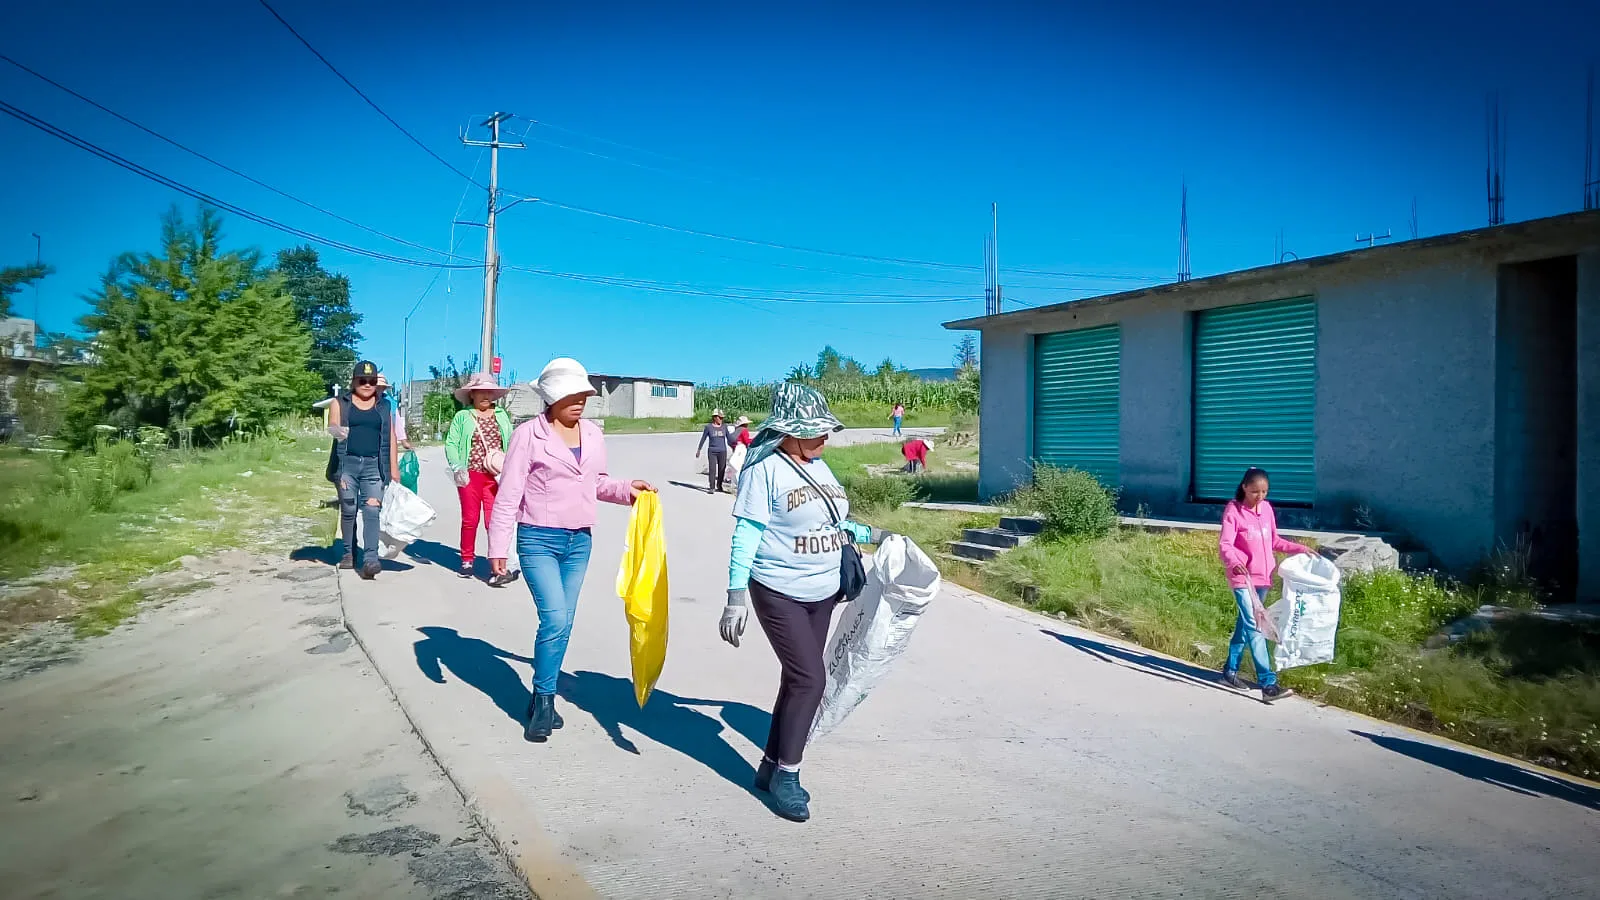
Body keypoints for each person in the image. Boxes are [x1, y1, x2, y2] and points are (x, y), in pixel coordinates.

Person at [718, 382, 887, 823]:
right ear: (788, 431)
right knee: (811, 679)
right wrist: (736, 596)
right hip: (777, 590)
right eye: (814, 430)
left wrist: (875, 535)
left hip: (823, 591)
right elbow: (747, 534)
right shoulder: (764, 469)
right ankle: (787, 778)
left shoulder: (821, 467)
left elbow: (835, 522)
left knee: (797, 680)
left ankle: (770, 765)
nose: (824, 437)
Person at [488, 358, 655, 743]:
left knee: (564, 621)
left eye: (583, 394)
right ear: (551, 397)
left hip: (579, 542)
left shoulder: (594, 435)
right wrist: (499, 544)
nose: (579, 401)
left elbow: (596, 482)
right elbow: (510, 491)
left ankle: (540, 693)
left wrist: (628, 489)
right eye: (571, 395)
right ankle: (545, 701)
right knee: (556, 619)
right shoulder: (528, 434)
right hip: (538, 539)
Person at [1218, 467, 1314, 702]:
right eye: (1254, 492)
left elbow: (1274, 541)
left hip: (1263, 578)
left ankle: (1229, 671)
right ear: (1244, 488)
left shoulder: (1267, 509)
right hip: (1243, 578)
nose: (1259, 497)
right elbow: (1225, 544)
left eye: (1264, 492)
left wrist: (1301, 548)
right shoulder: (1234, 511)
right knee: (1255, 627)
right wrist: (1234, 561)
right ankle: (1268, 684)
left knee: (1245, 624)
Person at [327, 360, 400, 580]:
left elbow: (391, 437)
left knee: (371, 510)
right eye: (362, 380)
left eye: (371, 381)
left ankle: (371, 559)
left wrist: (393, 468)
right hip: (346, 465)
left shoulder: (383, 406)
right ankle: (349, 553)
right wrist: (338, 431)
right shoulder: (340, 403)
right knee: (348, 509)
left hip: (374, 466)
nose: (367, 385)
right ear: (354, 381)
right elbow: (332, 425)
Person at [445, 373, 516, 585]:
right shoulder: (463, 417)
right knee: (470, 519)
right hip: (470, 475)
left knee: (494, 521)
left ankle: (498, 563)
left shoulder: (502, 415)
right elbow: (451, 443)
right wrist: (457, 466)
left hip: (495, 476)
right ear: (472, 394)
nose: (486, 396)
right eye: (481, 392)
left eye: (489, 392)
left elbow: (512, 442)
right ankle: (467, 559)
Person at [695, 408, 735, 493]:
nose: (721, 419)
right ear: (715, 417)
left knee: (722, 469)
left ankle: (719, 485)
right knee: (712, 469)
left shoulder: (724, 427)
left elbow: (729, 439)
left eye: (722, 418)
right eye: (719, 417)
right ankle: (712, 487)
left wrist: (735, 445)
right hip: (712, 451)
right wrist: (699, 449)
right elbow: (703, 439)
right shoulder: (708, 427)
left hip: (722, 451)